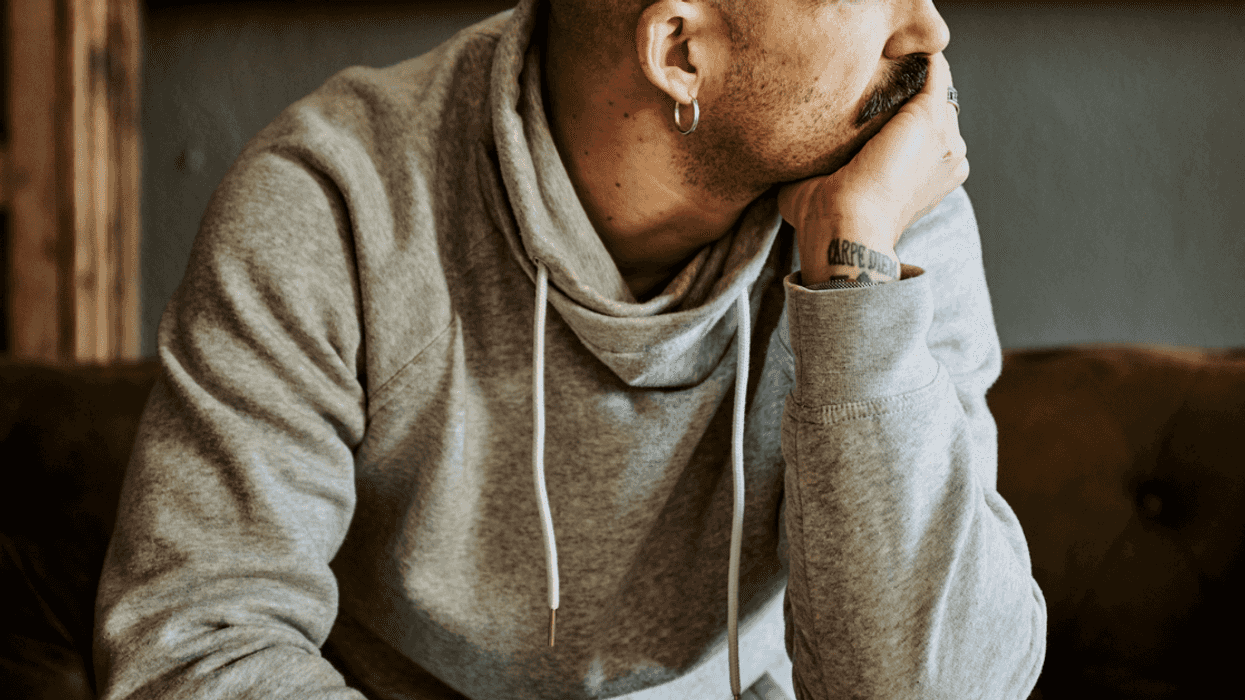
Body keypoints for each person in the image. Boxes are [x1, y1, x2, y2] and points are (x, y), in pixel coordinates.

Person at [93, 0, 1046, 698]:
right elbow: (195, 646)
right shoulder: (334, 203)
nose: (928, 32)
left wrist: (853, 276)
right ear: (679, 51)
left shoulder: (881, 207)